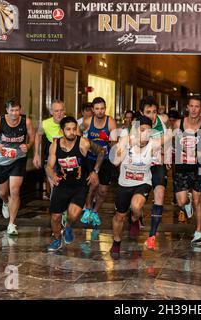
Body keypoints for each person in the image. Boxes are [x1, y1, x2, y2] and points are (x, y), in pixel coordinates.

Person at [46, 117, 106, 251]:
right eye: (68, 129)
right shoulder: (55, 145)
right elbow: (49, 166)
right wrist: (52, 175)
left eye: (74, 129)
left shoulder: (83, 143)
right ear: (62, 131)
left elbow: (102, 151)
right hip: (62, 184)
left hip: (80, 185)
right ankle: (57, 240)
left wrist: (95, 171)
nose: (72, 132)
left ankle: (68, 227)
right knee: (55, 217)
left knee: (73, 215)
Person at [0, 98, 35, 235]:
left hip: (18, 160)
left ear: (20, 110)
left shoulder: (26, 121)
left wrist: (27, 146)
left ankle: (11, 224)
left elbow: (32, 137)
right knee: (3, 192)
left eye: (17, 110)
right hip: (1, 161)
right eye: (12, 110)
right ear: (7, 110)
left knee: (15, 190)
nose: (14, 113)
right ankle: (5, 202)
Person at [109, 115, 158, 257]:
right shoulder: (126, 141)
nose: (145, 134)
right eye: (142, 130)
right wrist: (126, 145)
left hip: (143, 182)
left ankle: (136, 219)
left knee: (136, 206)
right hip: (124, 183)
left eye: (148, 131)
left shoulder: (154, 144)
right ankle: (116, 242)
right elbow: (115, 162)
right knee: (119, 216)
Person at [172, 96, 201, 246]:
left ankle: (199, 231)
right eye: (191, 106)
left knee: (198, 201)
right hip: (181, 167)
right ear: (187, 107)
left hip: (197, 168)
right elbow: (172, 142)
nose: (194, 109)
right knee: (181, 201)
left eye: (197, 107)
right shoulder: (178, 124)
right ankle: (186, 203)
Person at [79, 97, 117, 226]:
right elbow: (78, 133)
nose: (100, 111)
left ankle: (95, 211)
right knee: (93, 184)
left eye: (102, 108)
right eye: (97, 109)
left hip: (105, 159)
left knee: (103, 191)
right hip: (90, 158)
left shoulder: (110, 122)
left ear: (105, 109)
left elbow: (114, 143)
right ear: (93, 110)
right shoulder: (87, 122)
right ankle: (88, 208)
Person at [139, 96, 171, 250]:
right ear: (141, 112)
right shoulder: (136, 126)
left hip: (157, 164)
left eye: (154, 112)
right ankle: (135, 218)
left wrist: (168, 153)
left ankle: (152, 236)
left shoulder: (162, 121)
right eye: (148, 112)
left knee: (159, 195)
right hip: (141, 167)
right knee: (136, 206)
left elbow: (169, 138)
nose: (152, 115)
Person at [33, 100, 66, 200]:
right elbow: (38, 136)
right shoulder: (45, 124)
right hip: (53, 157)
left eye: (61, 110)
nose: (59, 113)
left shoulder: (70, 122)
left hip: (67, 157)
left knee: (66, 184)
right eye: (56, 111)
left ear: (64, 111)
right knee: (55, 183)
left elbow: (78, 137)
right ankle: (57, 208)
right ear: (51, 112)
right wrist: (36, 154)